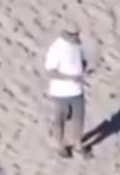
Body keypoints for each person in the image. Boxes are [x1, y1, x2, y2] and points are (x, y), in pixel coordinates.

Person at [44, 27, 91, 158]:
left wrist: (84, 68)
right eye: (75, 34)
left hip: (77, 90)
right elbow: (50, 72)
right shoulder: (56, 48)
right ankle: (60, 145)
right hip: (60, 93)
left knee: (78, 120)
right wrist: (70, 78)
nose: (77, 36)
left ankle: (77, 144)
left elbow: (80, 62)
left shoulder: (77, 45)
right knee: (59, 121)